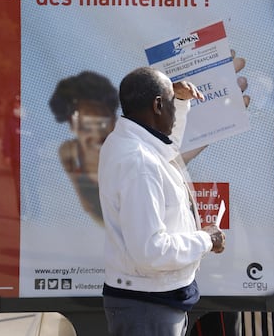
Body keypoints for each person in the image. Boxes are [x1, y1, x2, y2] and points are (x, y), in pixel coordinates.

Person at [98, 67, 226, 336]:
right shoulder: (139, 162)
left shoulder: (131, 142)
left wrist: (179, 102)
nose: (174, 111)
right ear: (157, 105)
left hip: (149, 299)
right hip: (148, 305)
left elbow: (165, 147)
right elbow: (151, 251)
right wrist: (206, 239)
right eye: (170, 102)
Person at [49, 71, 119, 223]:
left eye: (102, 124)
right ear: (73, 127)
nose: (96, 135)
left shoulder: (129, 155)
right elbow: (85, 205)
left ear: (114, 121)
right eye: (86, 127)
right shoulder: (69, 152)